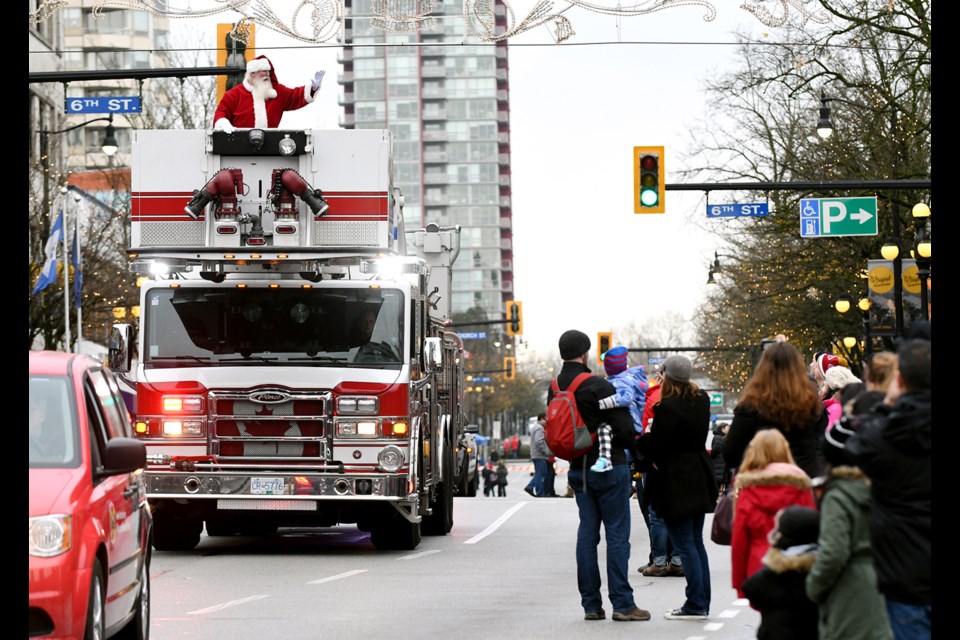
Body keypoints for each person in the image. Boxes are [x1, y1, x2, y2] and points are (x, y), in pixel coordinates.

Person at [551, 329, 650, 622]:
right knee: (617, 535)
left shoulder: (555, 385)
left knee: (587, 535)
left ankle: (591, 605)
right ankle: (622, 603)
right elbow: (624, 428)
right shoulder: (596, 384)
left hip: (577, 469)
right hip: (609, 468)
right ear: (584, 353)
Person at [845, 338, 931, 640]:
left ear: (900, 380)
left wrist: (884, 403)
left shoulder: (885, 432)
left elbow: (849, 447)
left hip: (903, 570)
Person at [636, 354, 718, 621]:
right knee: (695, 543)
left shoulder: (667, 407)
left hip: (675, 481)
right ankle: (701, 600)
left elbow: (656, 446)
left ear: (666, 376)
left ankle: (695, 604)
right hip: (698, 475)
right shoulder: (701, 399)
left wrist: (643, 440)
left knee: (685, 544)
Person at [805, 395, 893, 640]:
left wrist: (813, 585)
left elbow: (833, 552)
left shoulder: (839, 494)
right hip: (882, 580)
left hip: (850, 588)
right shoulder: (879, 487)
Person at [731, 429, 816, 603]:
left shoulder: (748, 489)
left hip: (760, 565)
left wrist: (740, 583)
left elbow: (740, 540)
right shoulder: (802, 486)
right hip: (798, 564)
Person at [724, 341, 829, 479]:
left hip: (761, 483)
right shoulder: (812, 406)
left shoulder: (751, 406)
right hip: (802, 483)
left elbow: (731, 455)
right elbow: (821, 448)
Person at [741, 505, 821, 640]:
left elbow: (750, 588)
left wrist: (775, 552)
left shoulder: (775, 574)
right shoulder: (820, 570)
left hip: (777, 632)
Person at [637, 362, 682, 577]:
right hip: (681, 464)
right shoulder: (692, 398)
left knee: (656, 514)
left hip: (656, 462)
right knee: (677, 511)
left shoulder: (654, 398)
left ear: (663, 375)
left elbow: (646, 431)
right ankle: (677, 559)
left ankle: (660, 560)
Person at [213, 55, 325, 132]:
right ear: (252, 74)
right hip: (239, 148)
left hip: (271, 149)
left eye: (268, 71)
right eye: (263, 71)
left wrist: (313, 86)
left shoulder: (277, 93)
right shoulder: (234, 94)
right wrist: (222, 123)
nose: (267, 74)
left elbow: (295, 96)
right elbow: (221, 112)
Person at [525, 413, 552, 497]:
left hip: (537, 454)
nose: (547, 421)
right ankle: (538, 491)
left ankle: (531, 487)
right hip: (539, 455)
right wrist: (545, 452)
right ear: (541, 419)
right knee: (541, 474)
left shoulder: (536, 427)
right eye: (545, 419)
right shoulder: (539, 428)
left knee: (540, 473)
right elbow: (538, 441)